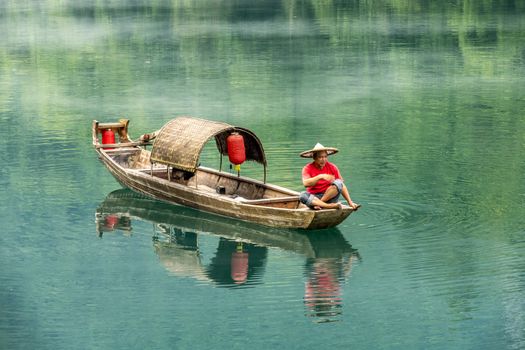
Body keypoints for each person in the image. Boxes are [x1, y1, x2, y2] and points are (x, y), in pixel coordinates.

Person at [299, 143, 359, 210]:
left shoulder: (332, 167)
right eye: (320, 157)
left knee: (338, 183)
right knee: (302, 195)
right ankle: (329, 206)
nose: (323, 159)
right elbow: (306, 184)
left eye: (325, 157)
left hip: (329, 198)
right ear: (314, 158)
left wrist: (350, 202)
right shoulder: (307, 168)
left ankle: (321, 204)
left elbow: (341, 185)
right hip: (314, 199)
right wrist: (320, 176)